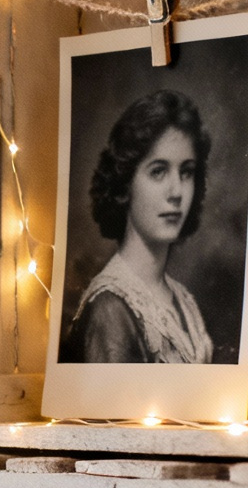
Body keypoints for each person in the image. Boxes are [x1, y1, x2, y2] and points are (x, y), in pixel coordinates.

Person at [60, 89, 214, 365]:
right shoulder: (110, 309)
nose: (177, 191)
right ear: (125, 183)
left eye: (186, 172)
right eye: (158, 171)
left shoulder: (182, 300)